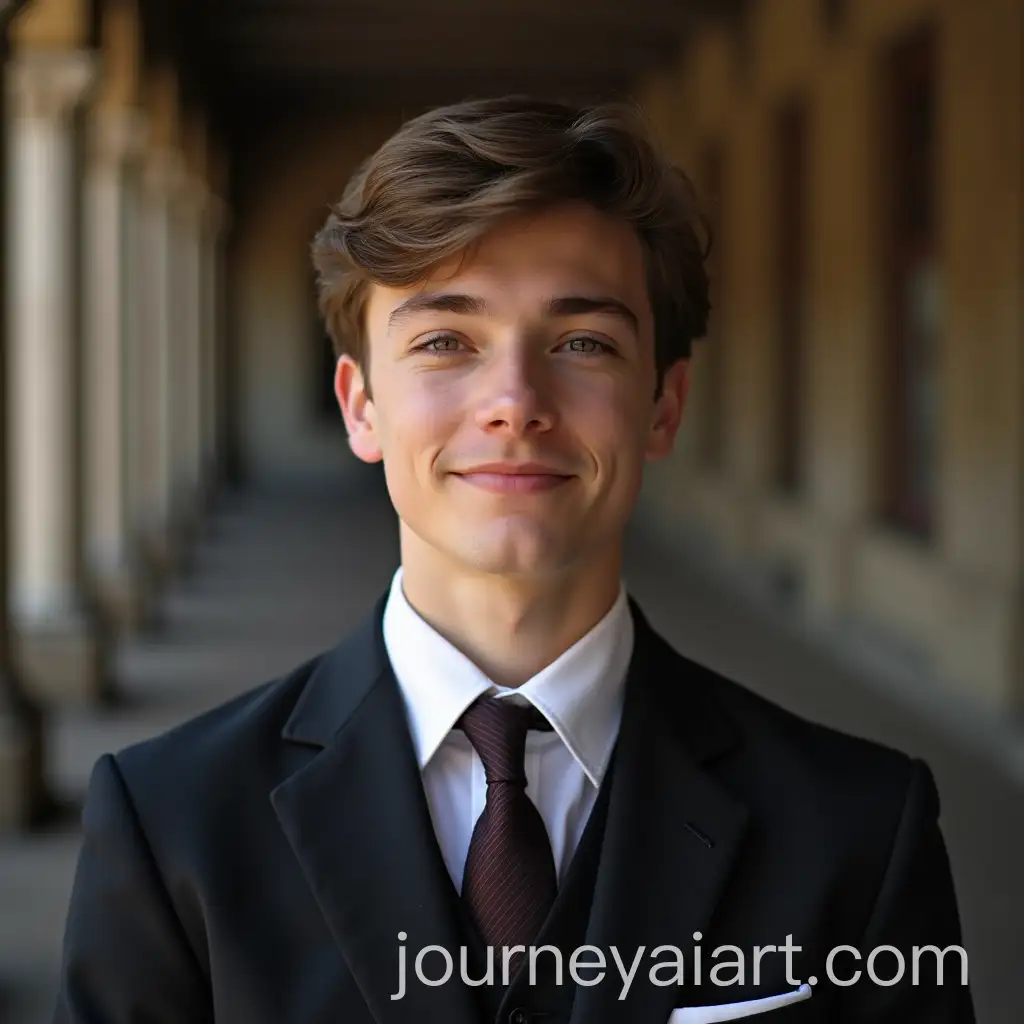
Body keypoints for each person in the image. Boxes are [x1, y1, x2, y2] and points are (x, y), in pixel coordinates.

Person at [52, 96, 975, 1023]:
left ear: (662, 404)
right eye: (445, 340)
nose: (515, 402)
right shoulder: (169, 818)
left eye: (583, 342)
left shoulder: (860, 826)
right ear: (361, 405)